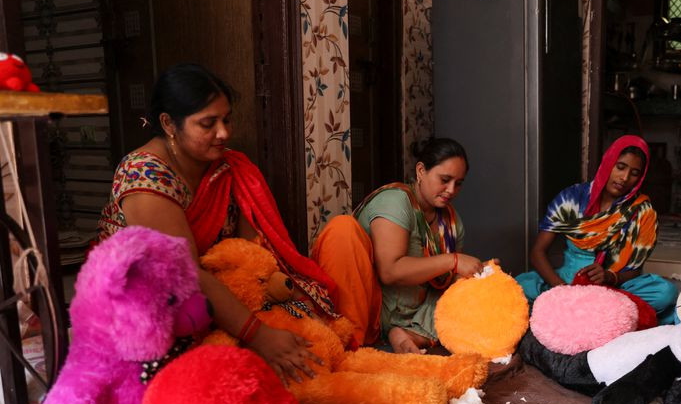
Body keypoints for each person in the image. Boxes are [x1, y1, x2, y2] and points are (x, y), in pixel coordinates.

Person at [97, 63, 372, 381]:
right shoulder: (144, 173)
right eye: (208, 123)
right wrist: (259, 335)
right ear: (169, 124)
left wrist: (281, 310)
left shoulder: (229, 169)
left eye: (226, 119)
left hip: (220, 296)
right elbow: (185, 274)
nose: (224, 133)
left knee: (310, 327)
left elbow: (252, 258)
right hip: (156, 305)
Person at [516, 135, 678, 321]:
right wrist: (560, 289)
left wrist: (610, 276)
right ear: (608, 162)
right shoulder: (572, 198)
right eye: (620, 167)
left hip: (614, 289)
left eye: (634, 173)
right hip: (567, 282)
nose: (624, 178)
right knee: (519, 288)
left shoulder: (642, 211)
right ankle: (603, 315)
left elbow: (634, 269)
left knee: (665, 293)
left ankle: (584, 314)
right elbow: (538, 252)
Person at [351, 138, 486, 354]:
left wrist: (480, 273)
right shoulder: (396, 202)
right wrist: (453, 260)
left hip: (419, 313)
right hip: (377, 311)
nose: (451, 190)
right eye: (445, 179)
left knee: (479, 288)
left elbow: (447, 284)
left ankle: (411, 334)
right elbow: (389, 272)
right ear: (421, 171)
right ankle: (403, 333)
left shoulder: (452, 222)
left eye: (458, 183)